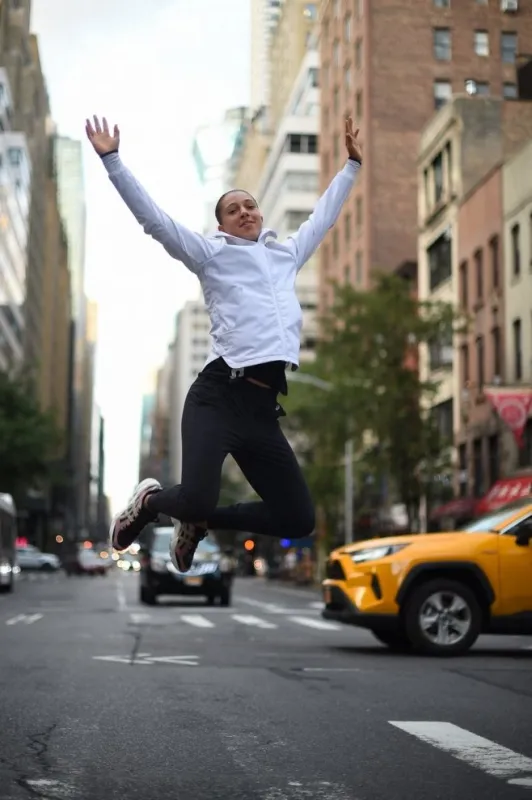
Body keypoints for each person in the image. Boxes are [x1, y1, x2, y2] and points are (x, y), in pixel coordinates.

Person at [85, 114, 362, 573]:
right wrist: (112, 160)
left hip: (261, 411)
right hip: (217, 397)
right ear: (222, 225)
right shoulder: (210, 255)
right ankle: (150, 502)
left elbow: (323, 218)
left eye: (250, 205)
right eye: (234, 209)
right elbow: (154, 221)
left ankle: (198, 522)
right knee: (195, 496)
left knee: (298, 518)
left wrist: (351, 167)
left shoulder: (286, 256)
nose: (245, 212)